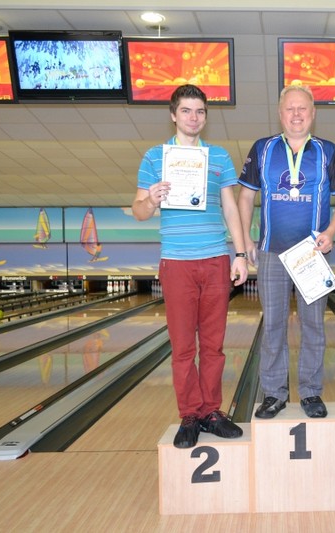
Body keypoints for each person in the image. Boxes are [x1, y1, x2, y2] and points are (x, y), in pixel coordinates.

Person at [132, 84, 248, 449]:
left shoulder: (219, 156)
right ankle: (190, 415)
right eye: (186, 110)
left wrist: (241, 254)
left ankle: (211, 411)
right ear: (173, 115)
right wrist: (151, 200)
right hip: (177, 263)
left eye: (199, 111)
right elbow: (138, 211)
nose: (193, 117)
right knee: (183, 348)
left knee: (213, 345)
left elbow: (230, 207)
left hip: (214, 260)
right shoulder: (155, 157)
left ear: (205, 117)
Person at [238, 85, 335, 419]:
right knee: (273, 326)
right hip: (271, 253)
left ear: (313, 113)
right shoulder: (262, 149)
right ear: (280, 113)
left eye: (302, 108)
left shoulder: (328, 151)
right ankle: (274, 394)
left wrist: (331, 232)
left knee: (313, 326)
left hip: (312, 255)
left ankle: (310, 392)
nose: (296, 114)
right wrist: (245, 239)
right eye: (290, 108)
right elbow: (245, 197)